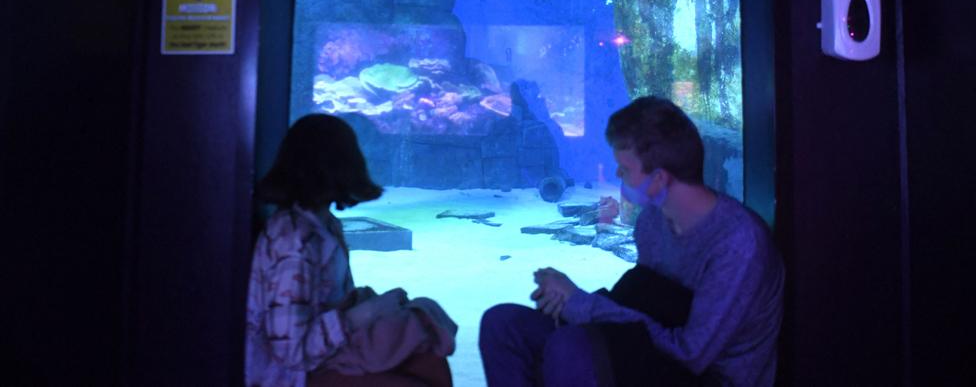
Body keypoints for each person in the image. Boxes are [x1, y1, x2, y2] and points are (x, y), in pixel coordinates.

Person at [479, 96, 784, 387]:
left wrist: (583, 304)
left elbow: (692, 354)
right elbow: (648, 306)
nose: (616, 173)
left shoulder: (739, 244)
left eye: (624, 168)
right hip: (649, 348)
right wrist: (568, 303)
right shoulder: (652, 222)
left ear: (659, 180)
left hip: (708, 375)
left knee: (569, 346)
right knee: (503, 325)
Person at [246, 114, 456, 387]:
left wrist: (372, 306)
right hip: (290, 376)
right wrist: (366, 313)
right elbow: (290, 352)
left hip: (324, 357)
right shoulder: (294, 240)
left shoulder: (323, 224)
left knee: (426, 342)